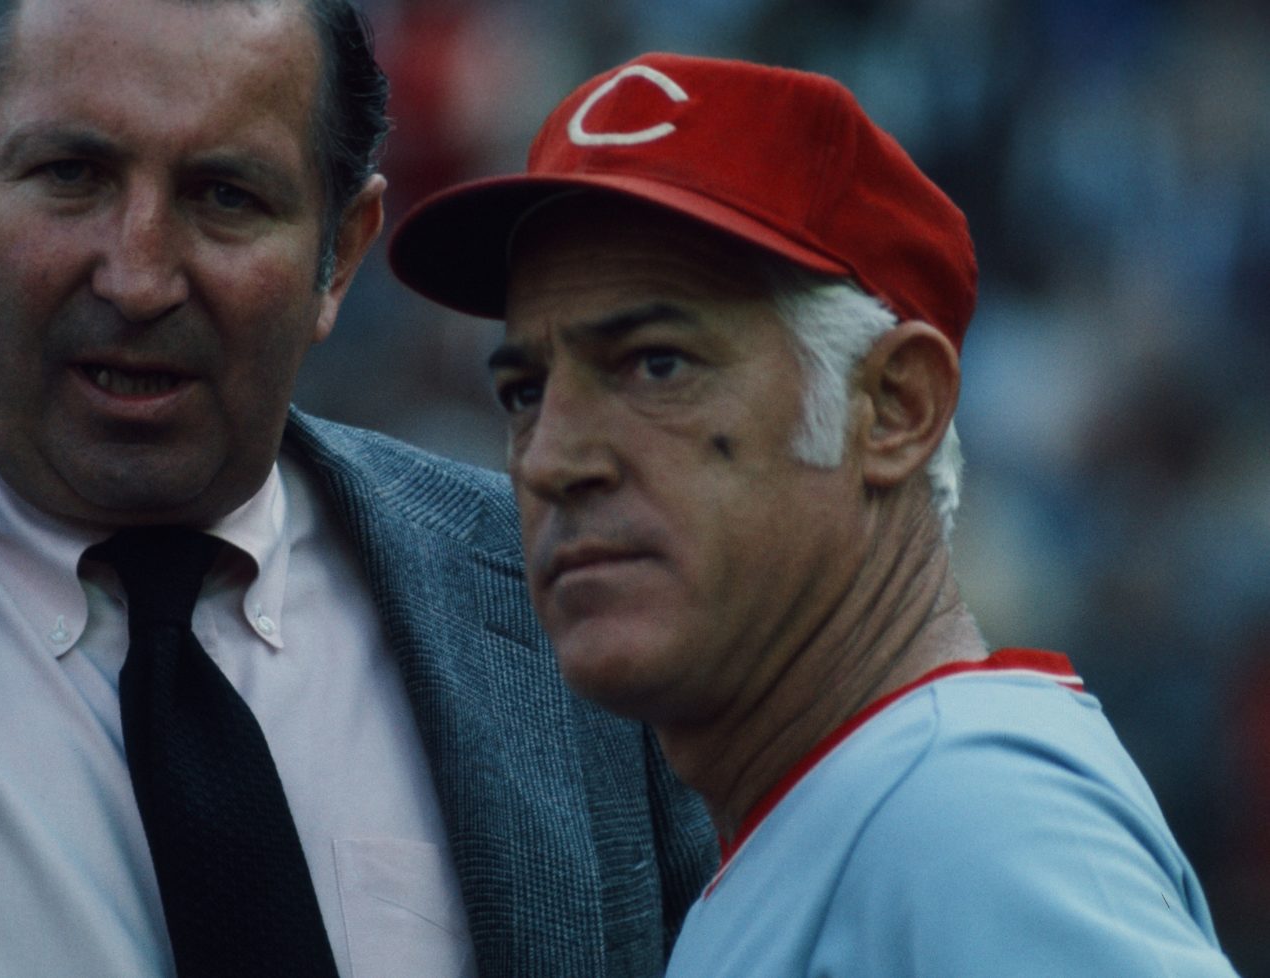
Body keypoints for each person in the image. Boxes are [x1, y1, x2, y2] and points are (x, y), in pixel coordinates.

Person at [0, 4, 717, 976]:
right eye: (71, 176)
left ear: (339, 257)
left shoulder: (560, 612)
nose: (138, 277)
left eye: (224, 196)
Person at [388, 53, 1242, 976]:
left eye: (657, 364)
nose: (552, 458)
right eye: (523, 390)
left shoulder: (973, 821)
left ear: (895, 409)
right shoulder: (858, 809)